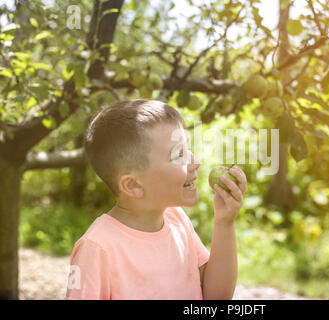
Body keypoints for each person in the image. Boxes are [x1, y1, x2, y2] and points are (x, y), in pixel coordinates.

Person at [65, 99, 247, 299]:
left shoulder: (178, 221)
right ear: (133, 185)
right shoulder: (97, 248)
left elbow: (216, 297)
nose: (195, 161)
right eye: (179, 154)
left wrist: (224, 222)